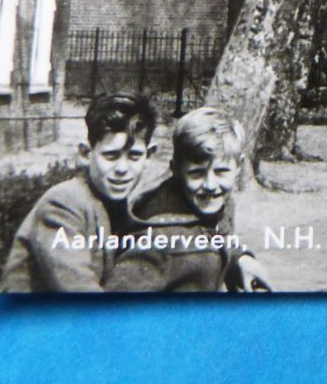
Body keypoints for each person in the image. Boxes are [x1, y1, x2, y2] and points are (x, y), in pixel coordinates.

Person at [0, 93, 158, 292]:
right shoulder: (63, 204)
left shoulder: (126, 204)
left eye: (134, 156)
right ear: (85, 153)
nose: (122, 169)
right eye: (111, 156)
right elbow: (80, 294)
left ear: (149, 156)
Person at [106, 106, 271, 293]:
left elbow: (216, 235)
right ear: (175, 169)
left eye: (221, 171)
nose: (210, 184)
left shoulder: (218, 204)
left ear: (239, 167)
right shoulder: (160, 240)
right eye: (196, 173)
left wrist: (240, 259)